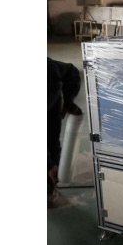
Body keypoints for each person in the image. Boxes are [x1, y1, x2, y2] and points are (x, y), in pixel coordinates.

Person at [47, 57, 81, 207]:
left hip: (52, 89)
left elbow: (71, 71)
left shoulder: (49, 68)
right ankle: (52, 174)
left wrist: (69, 101)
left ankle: (51, 183)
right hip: (52, 88)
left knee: (52, 137)